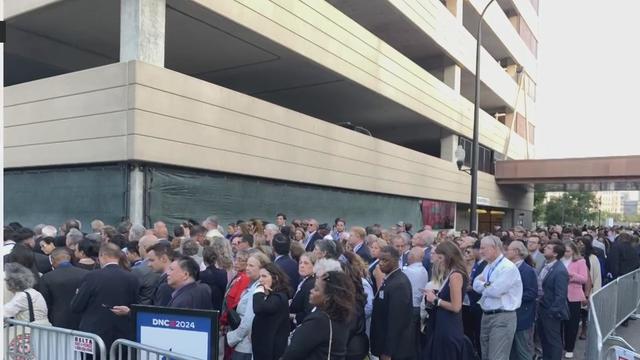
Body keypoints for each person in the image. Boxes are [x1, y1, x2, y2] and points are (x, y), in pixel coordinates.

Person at [71, 243, 140, 350]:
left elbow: (76, 306)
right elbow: (136, 306)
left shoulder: (92, 276)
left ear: (102, 255)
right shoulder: (132, 278)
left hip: (94, 335)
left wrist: (78, 294)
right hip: (122, 336)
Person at [282, 271, 355, 359]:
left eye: (316, 289)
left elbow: (293, 352)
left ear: (328, 296)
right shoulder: (340, 316)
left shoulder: (319, 321)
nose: (311, 291)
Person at [472, 235, 523, 360]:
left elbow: (495, 291)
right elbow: (475, 284)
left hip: (502, 317)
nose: (481, 251)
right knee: (486, 355)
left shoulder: (507, 267)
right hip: (487, 315)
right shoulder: (489, 266)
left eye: (484, 248)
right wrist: (487, 285)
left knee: (497, 357)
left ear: (494, 248)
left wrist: (484, 284)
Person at [422, 241, 473, 360]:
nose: (438, 261)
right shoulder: (451, 274)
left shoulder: (456, 275)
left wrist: (435, 300)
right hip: (443, 324)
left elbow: (456, 306)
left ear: (449, 257)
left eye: (440, 257)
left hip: (449, 327)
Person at [370, 246, 416, 360]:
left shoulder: (399, 283)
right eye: (380, 260)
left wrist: (388, 351)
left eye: (385, 260)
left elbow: (396, 321)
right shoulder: (390, 279)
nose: (381, 263)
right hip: (385, 343)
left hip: (395, 350)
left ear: (396, 261)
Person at [227, 252, 271, 360]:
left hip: (245, 345)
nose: (247, 268)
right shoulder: (252, 285)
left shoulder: (258, 289)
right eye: (247, 265)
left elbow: (248, 321)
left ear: (261, 269)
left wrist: (233, 338)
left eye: (251, 266)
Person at [39, 248, 89, 329]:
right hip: (82, 320)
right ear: (69, 258)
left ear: (52, 260)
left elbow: (44, 302)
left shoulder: (47, 278)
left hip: (57, 321)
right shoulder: (86, 274)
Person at [537, 240, 569, 360]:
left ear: (555, 254)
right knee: (544, 339)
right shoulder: (545, 264)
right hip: (542, 309)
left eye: (549, 248)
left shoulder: (560, 270)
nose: (545, 248)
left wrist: (552, 312)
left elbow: (561, 296)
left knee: (553, 341)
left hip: (551, 312)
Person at [505, 241, 537, 360]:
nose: (506, 252)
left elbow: (532, 293)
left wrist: (511, 296)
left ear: (517, 252)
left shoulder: (527, 270)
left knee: (523, 350)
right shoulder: (508, 268)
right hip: (510, 315)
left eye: (508, 249)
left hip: (522, 316)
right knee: (512, 351)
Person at [252, 263, 291, 360]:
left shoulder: (278, 297)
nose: (260, 280)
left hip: (270, 352)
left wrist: (258, 290)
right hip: (265, 349)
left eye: (264, 276)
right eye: (260, 276)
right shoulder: (274, 295)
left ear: (275, 278)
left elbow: (258, 308)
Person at [560, 240, 588, 359]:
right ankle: (561, 345)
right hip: (560, 295)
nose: (566, 253)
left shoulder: (580, 261)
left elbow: (584, 279)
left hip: (574, 296)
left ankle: (569, 347)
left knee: (572, 323)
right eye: (564, 251)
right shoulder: (559, 261)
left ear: (573, 251)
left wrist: (572, 276)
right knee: (560, 322)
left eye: (568, 251)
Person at [221, 250, 251, 360]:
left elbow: (235, 304)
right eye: (236, 259)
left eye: (240, 260)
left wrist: (224, 320)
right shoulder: (238, 276)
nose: (236, 262)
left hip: (233, 323)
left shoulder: (244, 278)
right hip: (228, 322)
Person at [462, 239, 485, 357]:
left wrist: (471, 288)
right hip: (471, 304)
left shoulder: (484, 265)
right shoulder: (478, 264)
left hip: (478, 304)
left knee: (479, 334)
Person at [290, 252, 316, 325]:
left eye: (306, 263)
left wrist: (290, 316)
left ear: (314, 266)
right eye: (300, 263)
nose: (302, 266)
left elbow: (308, 311)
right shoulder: (303, 280)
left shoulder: (311, 285)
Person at [200, 246, 228, 312]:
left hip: (204, 308)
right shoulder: (223, 273)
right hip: (218, 308)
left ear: (204, 260)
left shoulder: (200, 275)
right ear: (216, 259)